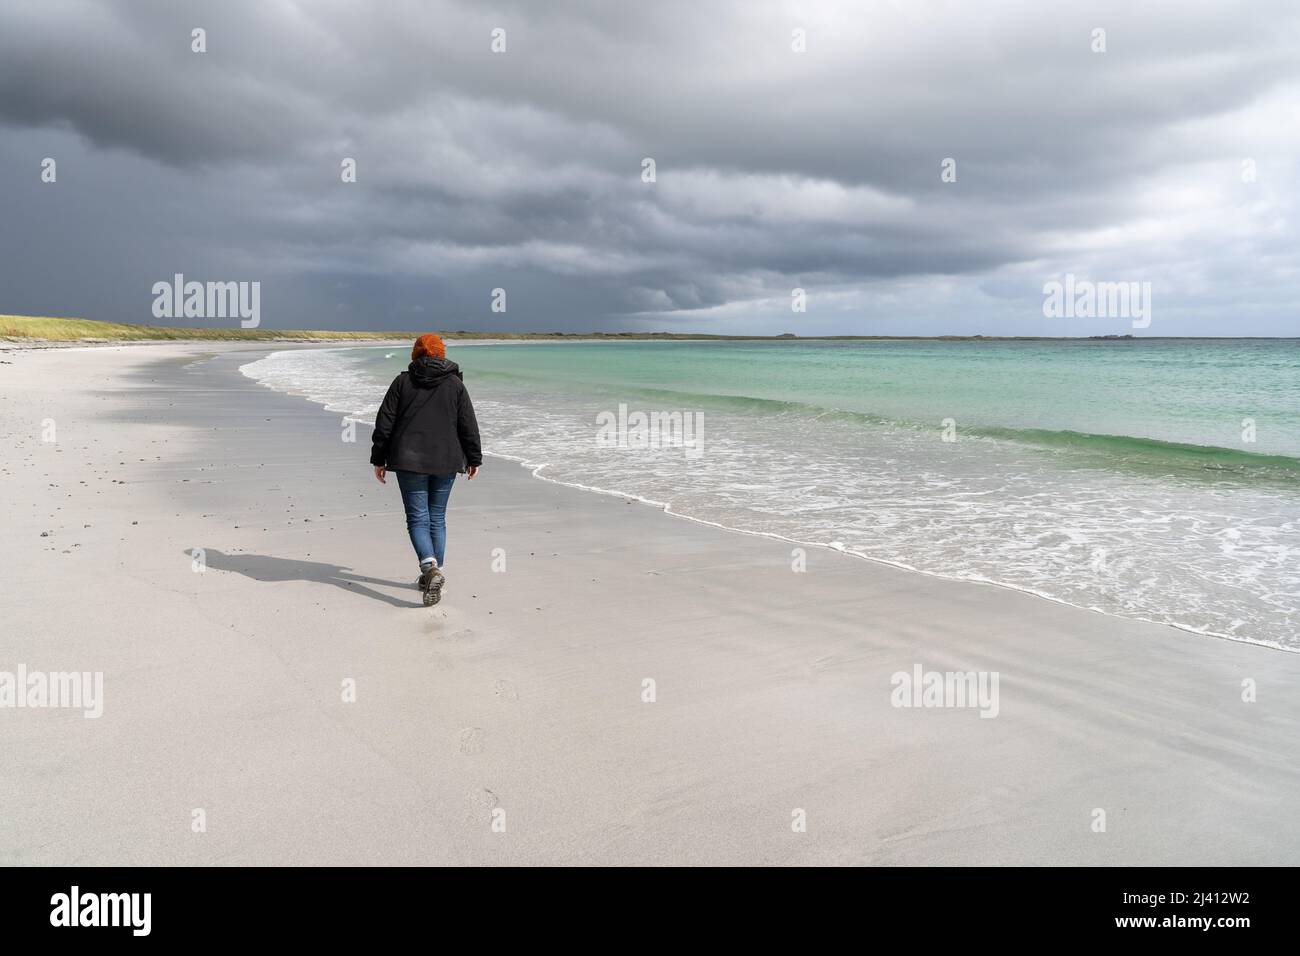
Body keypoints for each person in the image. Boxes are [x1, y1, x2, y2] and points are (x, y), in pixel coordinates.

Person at [370, 334, 482, 606]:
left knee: (418, 518)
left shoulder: (402, 381)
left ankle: (429, 568)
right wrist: (474, 458)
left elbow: (385, 421)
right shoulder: (455, 384)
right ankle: (434, 570)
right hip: (447, 459)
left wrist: (378, 458)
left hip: (409, 460)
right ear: (441, 353)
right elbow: (468, 422)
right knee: (437, 517)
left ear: (416, 353)